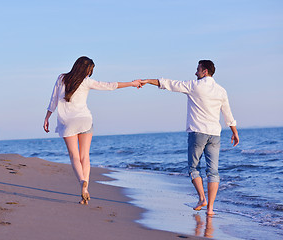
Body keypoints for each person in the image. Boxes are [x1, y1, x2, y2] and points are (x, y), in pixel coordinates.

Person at [139, 60, 239, 215]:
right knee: (213, 171)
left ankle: (202, 198)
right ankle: (211, 209)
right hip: (214, 134)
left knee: (194, 168)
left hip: (197, 132)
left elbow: (169, 84)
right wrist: (234, 131)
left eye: (197, 70)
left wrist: (147, 81)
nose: (195, 73)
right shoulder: (221, 91)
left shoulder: (194, 86)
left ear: (205, 71)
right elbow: (227, 113)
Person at [44, 56, 142, 205]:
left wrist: (47, 117)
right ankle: (86, 187)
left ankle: (81, 182)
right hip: (85, 120)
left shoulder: (61, 78)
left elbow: (53, 99)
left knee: (74, 156)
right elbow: (110, 85)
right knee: (85, 156)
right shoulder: (87, 82)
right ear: (86, 70)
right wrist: (132, 83)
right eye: (90, 71)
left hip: (67, 122)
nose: (90, 74)